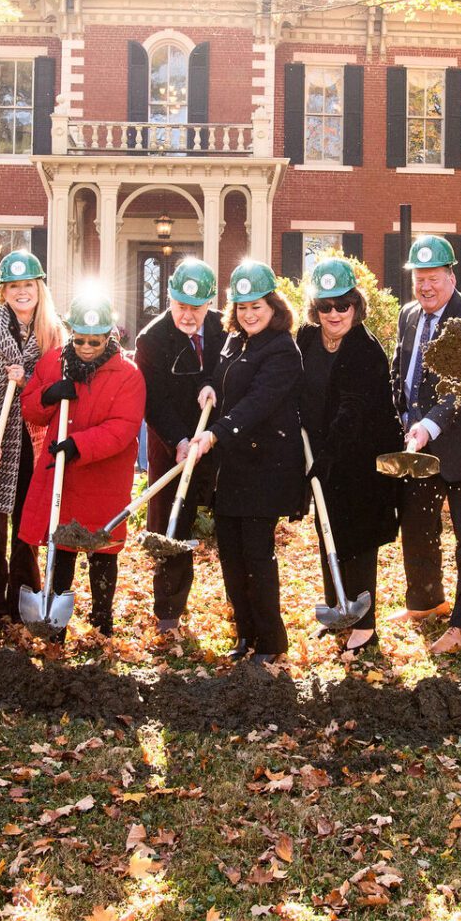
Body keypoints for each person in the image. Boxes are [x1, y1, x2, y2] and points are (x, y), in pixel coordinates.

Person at [185, 260, 304, 665]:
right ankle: (245, 636)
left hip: (264, 468)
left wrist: (217, 432)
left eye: (257, 306)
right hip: (231, 469)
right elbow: (223, 376)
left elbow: (259, 403)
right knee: (231, 557)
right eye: (241, 307)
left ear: (274, 306)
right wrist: (208, 387)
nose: (249, 314)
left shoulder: (283, 349)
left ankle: (271, 643)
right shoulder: (235, 341)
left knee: (256, 555)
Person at [388, 235, 461, 645]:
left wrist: (428, 425)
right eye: (419, 278)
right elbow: (401, 370)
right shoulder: (409, 316)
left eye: (433, 278)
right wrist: (399, 418)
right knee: (417, 526)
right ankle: (425, 600)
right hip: (418, 445)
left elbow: (459, 385)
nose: (425, 287)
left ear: (451, 277)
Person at [18, 292, 144, 642]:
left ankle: (102, 621)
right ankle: (55, 621)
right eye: (80, 339)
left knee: (102, 547)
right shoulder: (54, 363)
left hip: (103, 476)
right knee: (63, 546)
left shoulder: (127, 375)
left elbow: (123, 427)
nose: (87, 347)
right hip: (62, 472)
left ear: (109, 337)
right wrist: (47, 396)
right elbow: (30, 408)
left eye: (95, 340)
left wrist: (80, 445)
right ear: (71, 333)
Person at [296, 257, 401, 659]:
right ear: (315, 309)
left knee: (356, 539)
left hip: (359, 460)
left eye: (343, 304)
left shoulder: (366, 349)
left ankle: (365, 626)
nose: (334, 313)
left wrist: (327, 456)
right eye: (326, 306)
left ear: (356, 305)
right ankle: (339, 610)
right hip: (320, 454)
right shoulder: (306, 338)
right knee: (328, 534)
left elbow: (353, 410)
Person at [0, 250, 60, 637]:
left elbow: (56, 389)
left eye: (29, 286)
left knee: (27, 530)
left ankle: (22, 604)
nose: (22, 293)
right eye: (14, 286)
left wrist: (27, 380)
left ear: (39, 289)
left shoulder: (54, 332)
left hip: (34, 445)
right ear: (3, 292)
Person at [134, 258, 226, 632]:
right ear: (169, 300)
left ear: (209, 303)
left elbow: (234, 371)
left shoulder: (226, 328)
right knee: (170, 527)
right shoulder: (151, 340)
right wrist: (180, 440)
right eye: (181, 307)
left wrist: (215, 387)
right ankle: (168, 614)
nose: (188, 316)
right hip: (173, 443)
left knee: (235, 522)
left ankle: (242, 603)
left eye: (196, 308)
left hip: (219, 437)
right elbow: (152, 401)